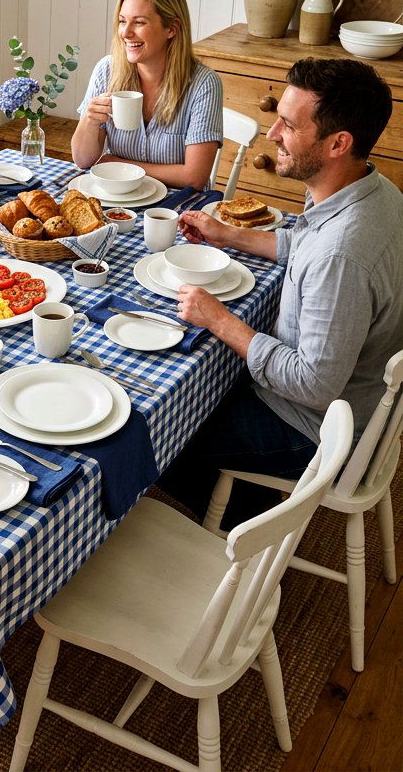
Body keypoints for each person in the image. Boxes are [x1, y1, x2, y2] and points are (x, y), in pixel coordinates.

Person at [159, 57, 403, 528]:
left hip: (314, 432)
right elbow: (307, 243)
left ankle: (250, 522)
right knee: (202, 381)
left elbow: (314, 383)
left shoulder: (342, 256)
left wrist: (220, 320)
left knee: (166, 431)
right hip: (359, 404)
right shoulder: (371, 191)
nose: (272, 134)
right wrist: (229, 235)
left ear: (337, 143)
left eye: (289, 125)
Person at [71, 0, 222, 189]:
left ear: (172, 29)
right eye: (123, 21)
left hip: (174, 210)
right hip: (119, 201)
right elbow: (83, 160)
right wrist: (90, 119)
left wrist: (120, 165)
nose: (125, 33)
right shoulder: (107, 70)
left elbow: (194, 177)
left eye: (139, 22)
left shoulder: (204, 84)